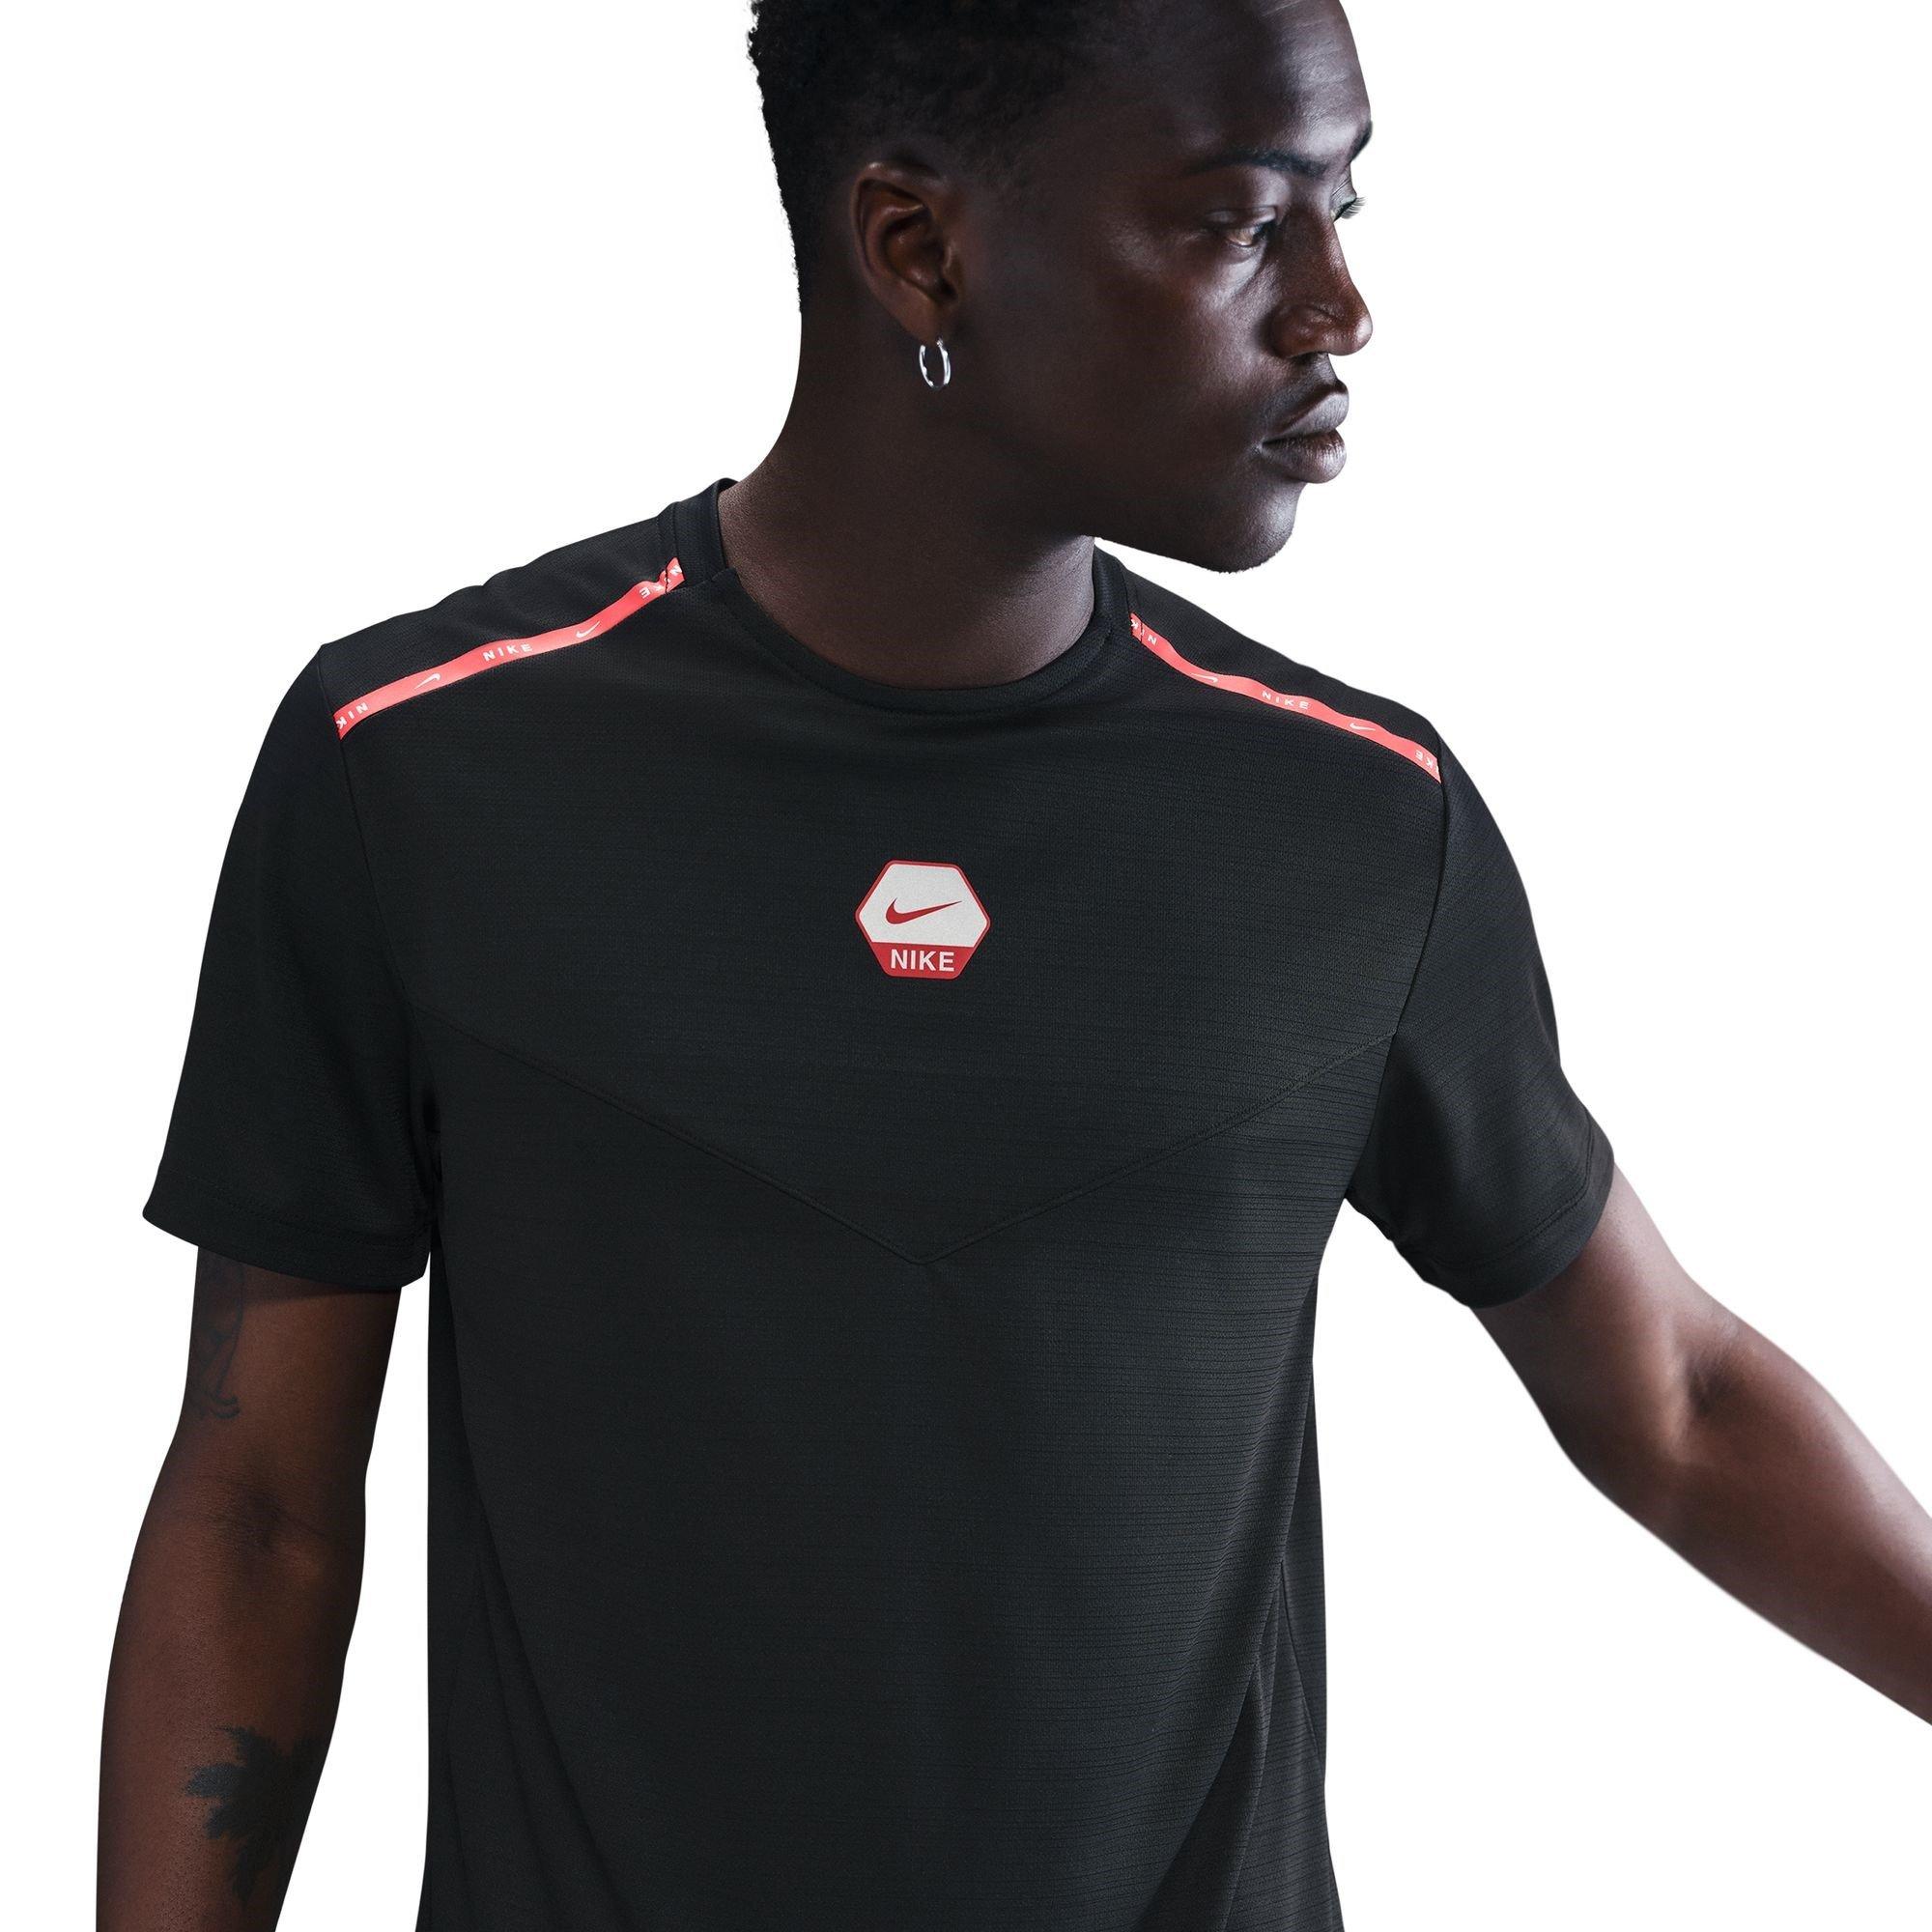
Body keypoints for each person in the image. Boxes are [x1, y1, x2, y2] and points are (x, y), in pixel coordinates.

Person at [99, 1, 1932, 1926]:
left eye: (1346, 208)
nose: (1339, 309)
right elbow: (259, 1508)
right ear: (920, 248)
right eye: (1243, 223)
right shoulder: (424, 765)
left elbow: (1674, 1398)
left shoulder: (1347, 819)